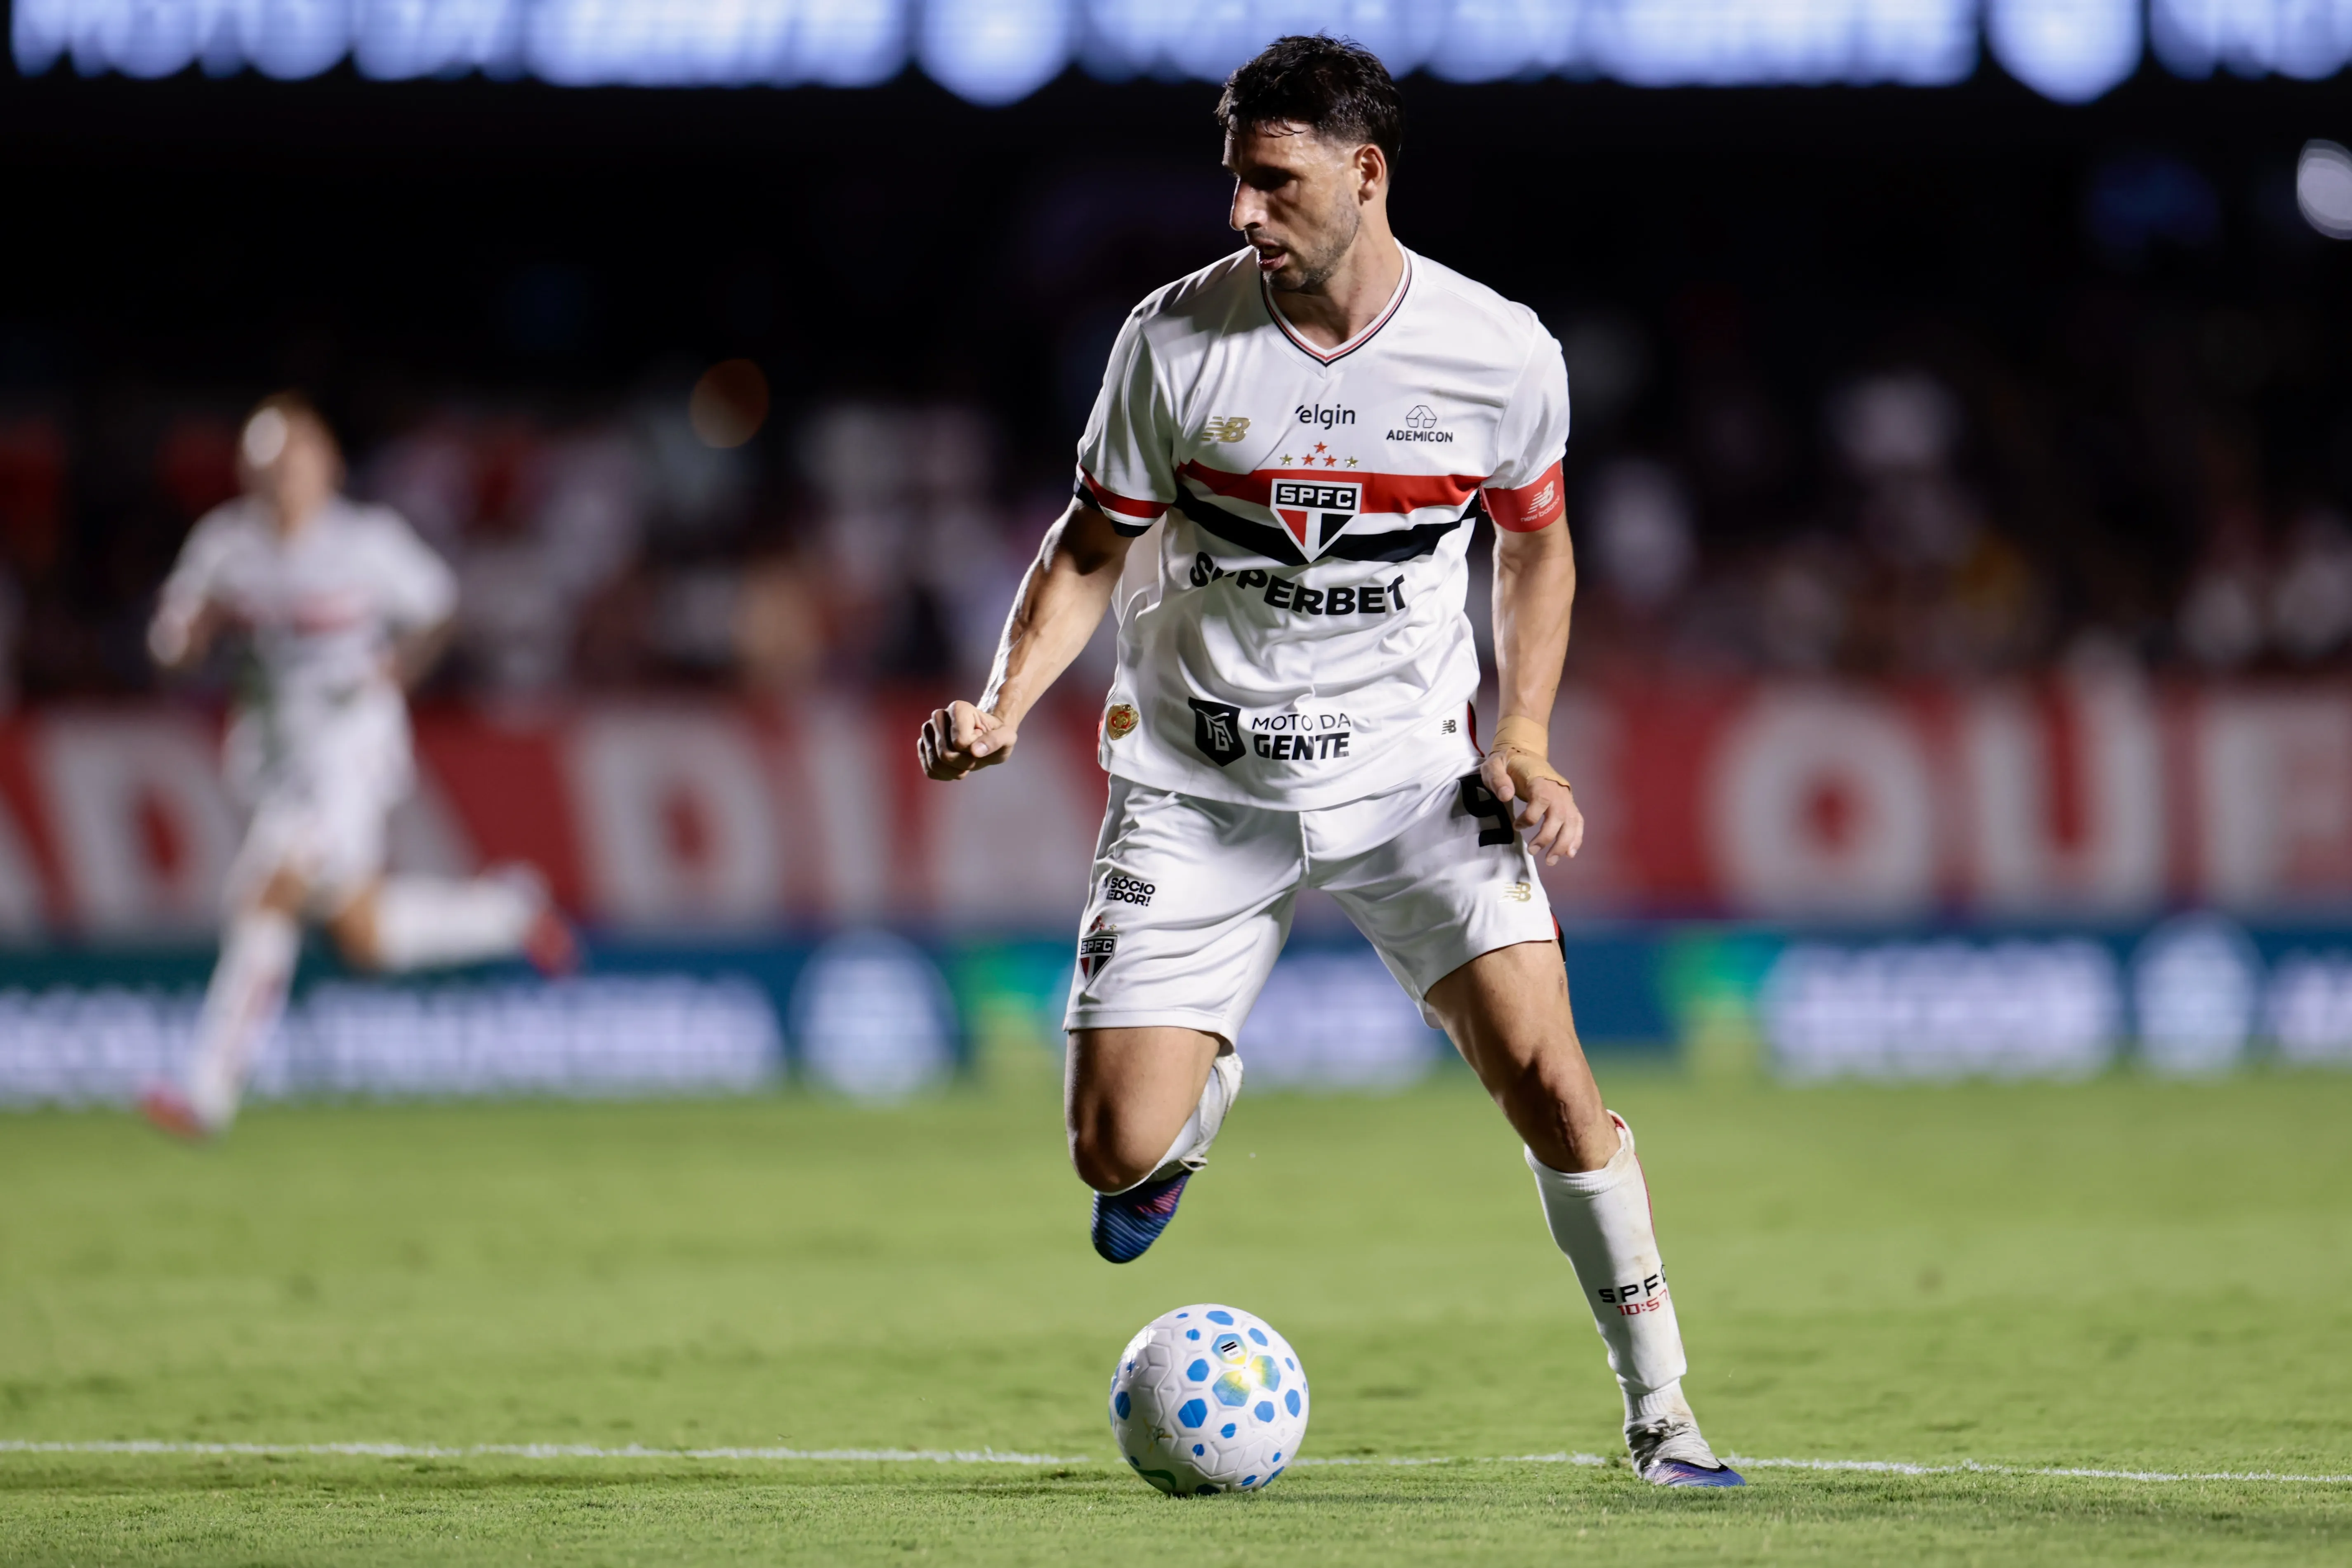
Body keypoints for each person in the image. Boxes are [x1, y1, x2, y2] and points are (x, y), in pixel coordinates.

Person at [918, 36, 1740, 1487]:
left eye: (1276, 183)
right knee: (1112, 1153)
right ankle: (1182, 1130)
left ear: (1368, 174)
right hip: (1196, 779)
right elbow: (1090, 546)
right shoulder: (1171, 343)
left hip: (1411, 779)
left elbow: (1535, 548)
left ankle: (1663, 1413)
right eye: (1235, 183)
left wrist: (1526, 739)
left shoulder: (1497, 353)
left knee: (1551, 1076)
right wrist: (1001, 706)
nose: (1244, 213)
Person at [140, 394, 577, 1139]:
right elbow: (169, 640)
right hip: (277, 760)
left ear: (327, 464)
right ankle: (510, 913)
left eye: (294, 460)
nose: (281, 478)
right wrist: (185, 642)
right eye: (266, 465)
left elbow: (439, 608)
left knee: (265, 891)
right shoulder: (225, 548)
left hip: (351, 752)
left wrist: (397, 670)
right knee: (364, 939)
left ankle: (208, 1092)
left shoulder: (366, 543)